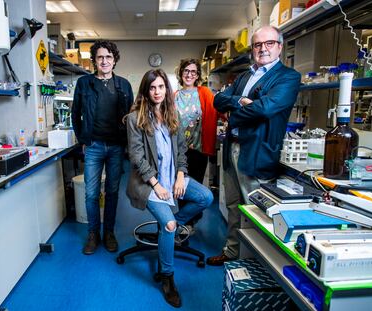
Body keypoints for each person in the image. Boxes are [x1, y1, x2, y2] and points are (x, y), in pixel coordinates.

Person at [206, 26, 301, 266]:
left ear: (280, 46)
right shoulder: (244, 76)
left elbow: (266, 108)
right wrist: (241, 101)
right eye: (258, 45)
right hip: (232, 147)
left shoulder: (288, 77)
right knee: (233, 205)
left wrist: (235, 113)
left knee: (256, 210)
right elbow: (218, 100)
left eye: (269, 43)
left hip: (257, 152)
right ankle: (232, 252)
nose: (263, 49)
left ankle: (256, 264)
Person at [125, 69, 213, 308]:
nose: (157, 92)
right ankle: (167, 277)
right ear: (146, 90)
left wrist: (181, 175)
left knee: (206, 197)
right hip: (148, 182)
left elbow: (181, 150)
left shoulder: (172, 114)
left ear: (166, 89)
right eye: (152, 87)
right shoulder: (135, 119)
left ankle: (170, 227)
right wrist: (157, 185)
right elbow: (137, 157)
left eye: (161, 87)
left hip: (173, 176)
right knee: (169, 224)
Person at [71, 40, 134, 254]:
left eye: (108, 57)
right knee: (90, 193)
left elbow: (131, 118)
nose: (104, 61)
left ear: (114, 59)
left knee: (113, 192)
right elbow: (75, 114)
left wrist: (129, 145)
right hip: (94, 146)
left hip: (116, 146)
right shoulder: (84, 83)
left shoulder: (123, 85)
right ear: (95, 60)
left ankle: (109, 232)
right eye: (100, 57)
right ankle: (92, 234)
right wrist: (83, 140)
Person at [174, 58, 218, 232]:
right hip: (179, 152)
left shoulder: (204, 92)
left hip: (198, 150)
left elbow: (218, 108)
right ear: (181, 73)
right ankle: (185, 223)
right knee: (180, 189)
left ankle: (188, 222)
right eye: (186, 71)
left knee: (196, 188)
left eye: (193, 71)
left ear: (198, 75)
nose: (189, 74)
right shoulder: (174, 96)